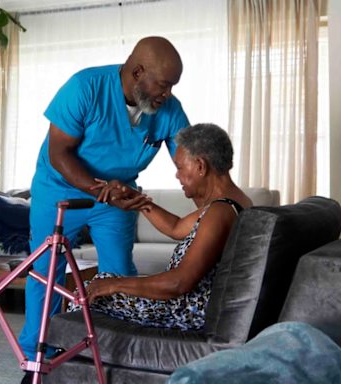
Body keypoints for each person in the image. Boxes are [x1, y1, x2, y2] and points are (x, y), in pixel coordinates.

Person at [19, 36, 190, 373]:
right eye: (163, 84)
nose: (166, 93)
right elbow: (59, 153)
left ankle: (113, 351)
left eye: (172, 86)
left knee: (119, 272)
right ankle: (37, 356)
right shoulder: (85, 87)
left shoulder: (168, 109)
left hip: (118, 197)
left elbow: (190, 158)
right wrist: (101, 190)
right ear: (138, 71)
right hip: (60, 191)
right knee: (47, 274)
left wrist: (218, 198)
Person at [70, 123, 252, 330]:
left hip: (186, 311)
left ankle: (72, 356)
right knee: (102, 280)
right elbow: (176, 227)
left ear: (201, 166)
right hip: (192, 304)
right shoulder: (235, 203)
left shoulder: (220, 212)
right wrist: (138, 199)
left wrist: (115, 285)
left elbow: (179, 283)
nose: (177, 175)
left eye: (180, 167)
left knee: (88, 292)